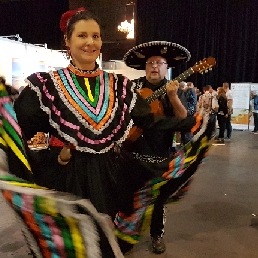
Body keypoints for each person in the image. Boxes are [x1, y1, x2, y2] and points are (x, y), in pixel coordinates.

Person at [1, 9, 202, 258]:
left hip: (108, 173)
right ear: (68, 40)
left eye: (95, 36)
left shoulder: (119, 85)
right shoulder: (44, 86)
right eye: (82, 35)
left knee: (105, 237)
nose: (90, 42)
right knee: (72, 242)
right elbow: (26, 134)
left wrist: (191, 124)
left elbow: (148, 120)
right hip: (67, 174)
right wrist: (56, 156)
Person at [123, 41, 204, 254]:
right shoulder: (132, 87)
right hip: (131, 153)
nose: (154, 67)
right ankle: (127, 235)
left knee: (158, 201)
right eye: (151, 62)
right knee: (128, 197)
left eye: (159, 62)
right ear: (145, 66)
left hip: (160, 155)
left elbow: (183, 119)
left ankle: (156, 235)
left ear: (166, 67)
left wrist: (172, 96)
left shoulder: (174, 89)